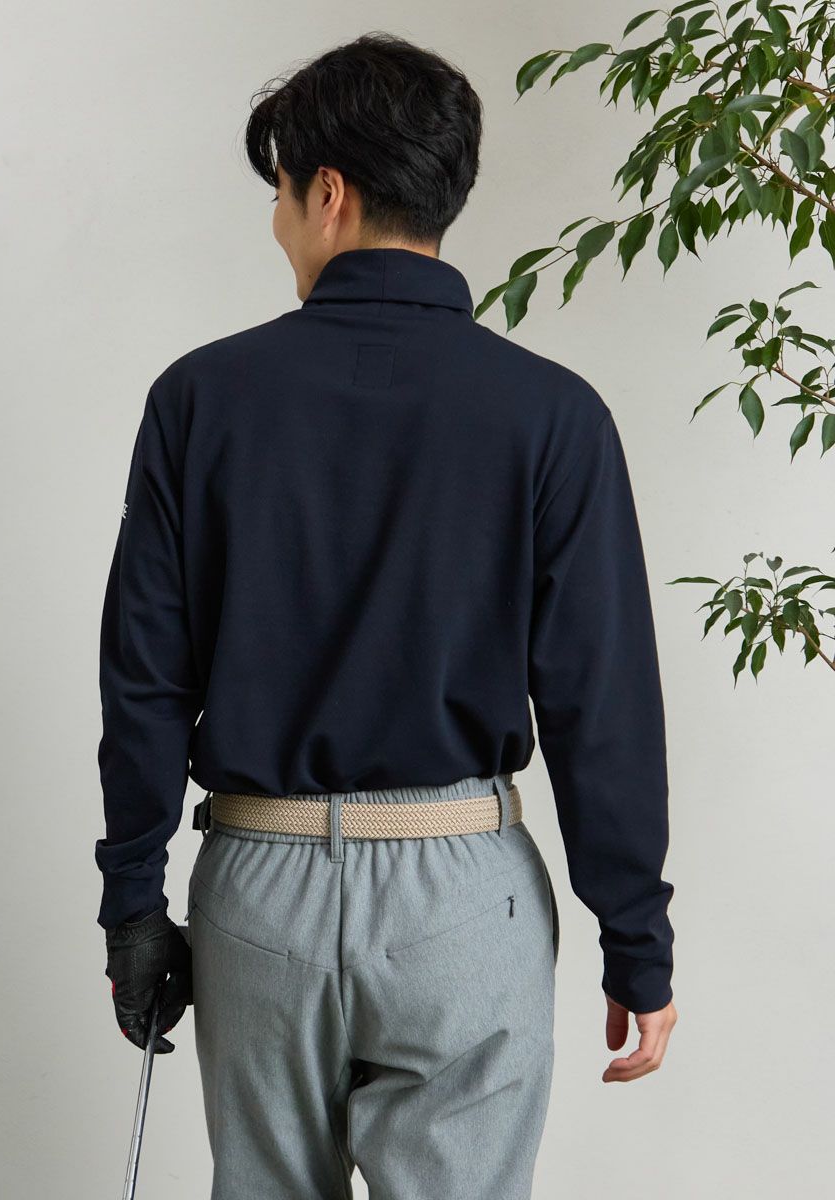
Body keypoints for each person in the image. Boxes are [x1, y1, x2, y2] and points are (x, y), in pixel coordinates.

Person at [96, 30, 677, 1199]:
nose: (277, 225)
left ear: (328, 193)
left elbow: (147, 677)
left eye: (279, 194)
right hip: (463, 890)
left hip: (258, 889)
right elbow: (597, 699)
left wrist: (133, 908)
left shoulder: (199, 399)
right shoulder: (553, 415)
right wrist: (637, 940)